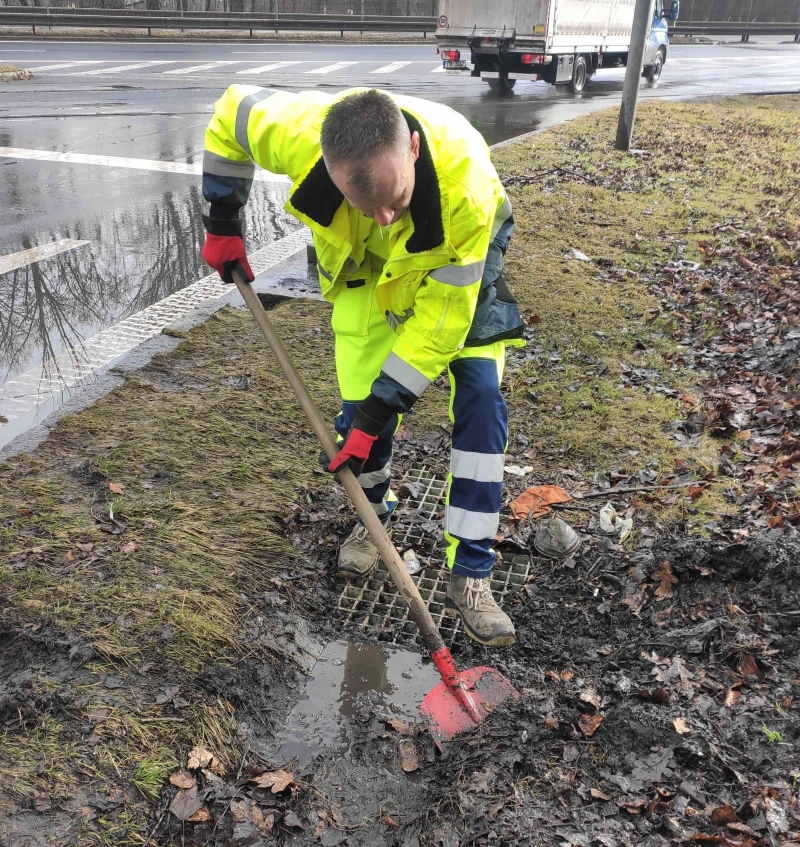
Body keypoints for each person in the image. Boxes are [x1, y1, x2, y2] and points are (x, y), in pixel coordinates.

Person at [200, 86, 524, 647]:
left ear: (414, 150)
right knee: (356, 402)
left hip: (448, 256)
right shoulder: (298, 133)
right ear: (326, 167)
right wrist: (223, 219)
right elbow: (231, 112)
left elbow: (440, 325)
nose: (383, 216)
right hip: (363, 266)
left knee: (480, 398)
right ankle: (373, 517)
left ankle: (471, 572)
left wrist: (384, 408)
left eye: (394, 199)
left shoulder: (463, 193)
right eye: (363, 201)